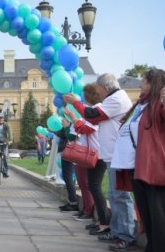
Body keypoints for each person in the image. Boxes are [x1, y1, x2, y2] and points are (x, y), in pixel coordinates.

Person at [116, 69, 165, 252]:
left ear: (152, 82)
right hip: (143, 167)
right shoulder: (144, 102)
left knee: (163, 219)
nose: (140, 84)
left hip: (164, 170)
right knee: (150, 217)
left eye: (143, 80)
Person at [64, 73, 135, 251]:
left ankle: (125, 235)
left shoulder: (116, 99)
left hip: (118, 155)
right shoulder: (114, 99)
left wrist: (74, 102)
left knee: (120, 196)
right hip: (112, 155)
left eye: (98, 89)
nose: (98, 93)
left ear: (104, 87)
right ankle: (118, 231)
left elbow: (92, 116)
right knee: (114, 195)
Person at [64, 83, 106, 227]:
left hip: (94, 153)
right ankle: (89, 212)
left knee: (90, 186)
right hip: (88, 152)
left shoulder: (95, 110)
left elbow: (87, 129)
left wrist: (73, 119)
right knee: (85, 184)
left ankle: (93, 214)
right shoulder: (90, 110)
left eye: (83, 95)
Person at [53, 118, 78, 212]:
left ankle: (73, 203)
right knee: (67, 178)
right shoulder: (70, 122)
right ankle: (71, 201)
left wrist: (63, 127)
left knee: (68, 177)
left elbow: (67, 136)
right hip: (66, 151)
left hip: (69, 151)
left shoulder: (72, 123)